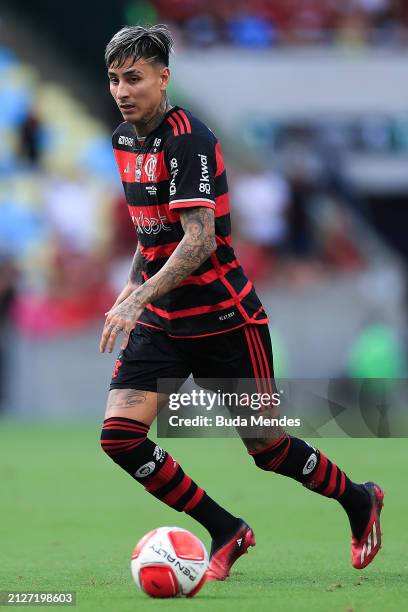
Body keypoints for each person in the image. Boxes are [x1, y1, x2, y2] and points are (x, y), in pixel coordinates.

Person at [99, 24, 383, 581]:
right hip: (164, 320)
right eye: (113, 80)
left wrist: (139, 297)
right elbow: (149, 231)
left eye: (133, 78)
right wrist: (133, 287)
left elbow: (200, 240)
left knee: (268, 448)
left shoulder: (190, 139)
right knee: (120, 437)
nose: (122, 91)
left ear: (164, 77)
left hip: (226, 317)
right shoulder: (124, 141)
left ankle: (358, 498)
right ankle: (226, 528)